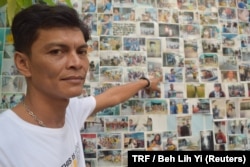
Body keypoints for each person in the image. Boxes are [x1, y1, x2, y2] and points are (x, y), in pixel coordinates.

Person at [0, 4, 162, 167]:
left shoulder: (70, 112)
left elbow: (112, 96)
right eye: (56, 51)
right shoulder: (5, 143)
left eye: (81, 52)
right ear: (23, 63)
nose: (77, 63)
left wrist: (145, 82)